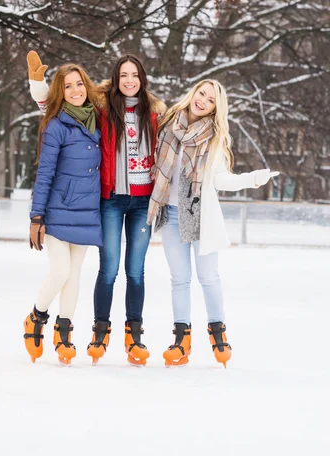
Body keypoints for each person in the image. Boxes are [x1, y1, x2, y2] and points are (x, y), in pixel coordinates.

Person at [27, 52, 165, 366]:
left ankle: (113, 336)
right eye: (123, 75)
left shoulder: (131, 113)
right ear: (114, 81)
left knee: (113, 272)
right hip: (87, 204)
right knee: (91, 269)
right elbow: (55, 107)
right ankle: (64, 324)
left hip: (114, 206)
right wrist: (37, 84)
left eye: (135, 75)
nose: (129, 81)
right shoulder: (81, 116)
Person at [147, 79, 279, 368]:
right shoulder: (168, 123)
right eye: (201, 93)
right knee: (179, 279)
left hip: (199, 216)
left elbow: (221, 179)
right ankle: (181, 340)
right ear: (193, 93)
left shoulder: (213, 138)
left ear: (215, 109)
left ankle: (218, 334)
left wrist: (252, 178)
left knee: (208, 277)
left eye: (210, 100)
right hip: (170, 215)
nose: (203, 100)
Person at [24, 61, 102, 366]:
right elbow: (45, 172)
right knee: (60, 271)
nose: (75, 90)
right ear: (60, 91)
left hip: (86, 210)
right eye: (67, 86)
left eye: (79, 83)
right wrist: (36, 217)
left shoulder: (98, 119)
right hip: (58, 210)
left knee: (75, 275)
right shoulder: (56, 124)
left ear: (87, 85)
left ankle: (64, 333)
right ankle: (36, 318)